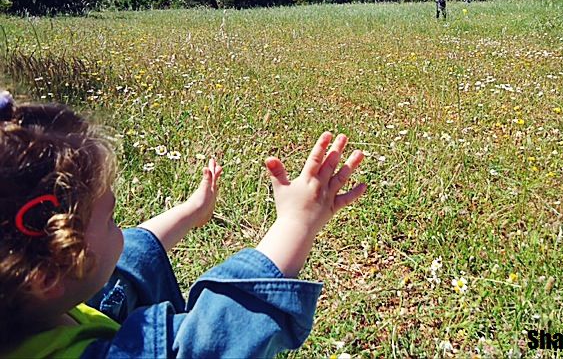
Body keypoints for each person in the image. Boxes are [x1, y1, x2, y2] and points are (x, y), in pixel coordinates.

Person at [0, 90, 366, 358]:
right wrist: (297, 221)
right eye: (110, 218)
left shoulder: (34, 308)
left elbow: (125, 266)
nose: (120, 228)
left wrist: (191, 211)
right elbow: (211, 341)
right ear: (46, 275)